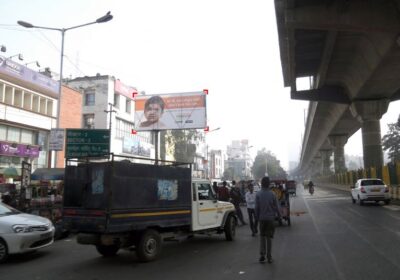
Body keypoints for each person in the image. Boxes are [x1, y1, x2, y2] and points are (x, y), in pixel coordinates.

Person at [255, 176, 281, 264]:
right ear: (269, 184)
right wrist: (280, 216)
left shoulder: (258, 194)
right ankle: (269, 257)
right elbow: (277, 207)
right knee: (269, 238)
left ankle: (262, 255)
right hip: (270, 219)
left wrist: (256, 217)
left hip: (261, 219)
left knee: (262, 236)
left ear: (261, 184)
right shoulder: (272, 194)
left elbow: (256, 208)